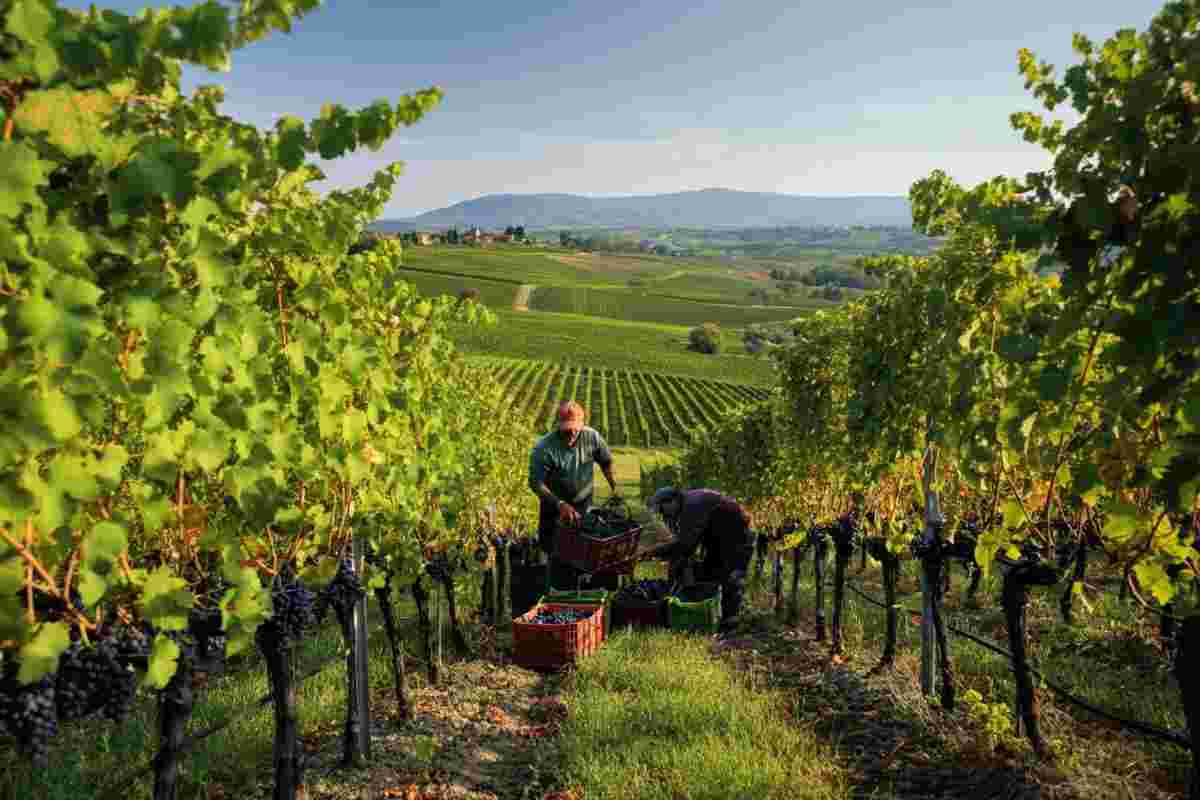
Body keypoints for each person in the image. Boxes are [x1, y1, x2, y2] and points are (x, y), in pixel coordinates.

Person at [528, 401, 620, 587]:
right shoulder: (544, 448)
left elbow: (606, 461)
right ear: (558, 426)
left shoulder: (592, 437)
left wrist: (615, 488)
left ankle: (584, 595)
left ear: (582, 425)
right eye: (565, 430)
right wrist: (560, 504)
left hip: (582, 507)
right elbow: (536, 483)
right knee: (558, 560)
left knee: (585, 555)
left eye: (574, 429)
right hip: (553, 510)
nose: (570, 434)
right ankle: (558, 595)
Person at [644, 487, 754, 630]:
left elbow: (686, 545)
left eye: (663, 510)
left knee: (730, 577)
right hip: (719, 539)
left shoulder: (693, 506)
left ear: (672, 501)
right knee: (711, 573)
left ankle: (731, 622)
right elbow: (681, 542)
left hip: (737, 538)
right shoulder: (684, 505)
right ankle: (717, 617)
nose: (663, 515)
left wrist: (655, 552)